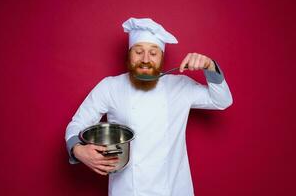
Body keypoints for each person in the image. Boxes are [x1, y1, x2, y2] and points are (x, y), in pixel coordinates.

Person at [65, 17, 233, 196]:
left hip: (173, 190)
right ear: (129, 54)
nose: (145, 59)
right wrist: (78, 149)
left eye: (153, 53)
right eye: (138, 51)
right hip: (127, 191)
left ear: (161, 57)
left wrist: (210, 66)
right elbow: (78, 123)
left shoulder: (181, 86)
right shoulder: (110, 87)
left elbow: (222, 100)